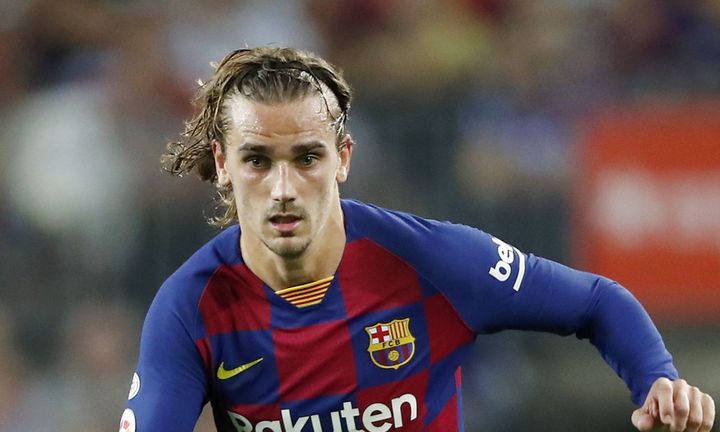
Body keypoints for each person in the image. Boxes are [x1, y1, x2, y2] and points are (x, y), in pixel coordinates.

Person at [120, 46, 715, 432]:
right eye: (257, 160)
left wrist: (658, 383)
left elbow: (597, 302)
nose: (283, 188)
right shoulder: (191, 309)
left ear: (343, 158)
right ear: (222, 163)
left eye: (307, 158)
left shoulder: (429, 260)